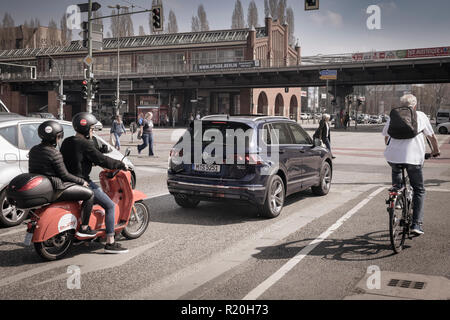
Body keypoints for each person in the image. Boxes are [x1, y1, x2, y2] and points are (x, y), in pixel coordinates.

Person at [60, 112, 129, 253]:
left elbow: (77, 159)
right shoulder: (85, 144)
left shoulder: (67, 142)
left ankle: (88, 232)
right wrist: (121, 165)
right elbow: (103, 160)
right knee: (110, 205)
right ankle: (110, 242)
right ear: (86, 130)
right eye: (92, 129)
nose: (92, 132)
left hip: (66, 181)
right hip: (82, 182)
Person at [382, 94, 440, 236]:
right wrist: (435, 151)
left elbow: (386, 136)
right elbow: (431, 137)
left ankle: (397, 194)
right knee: (419, 189)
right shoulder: (420, 115)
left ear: (401, 104)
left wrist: (394, 148)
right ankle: (416, 224)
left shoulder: (394, 115)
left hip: (392, 156)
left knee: (396, 170)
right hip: (413, 158)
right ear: (415, 105)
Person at [29, 121, 96, 238]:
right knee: (89, 194)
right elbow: (65, 175)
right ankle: (84, 228)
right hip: (56, 188)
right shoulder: (54, 153)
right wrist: (82, 181)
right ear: (56, 137)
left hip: (43, 187)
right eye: (59, 137)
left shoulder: (34, 150)